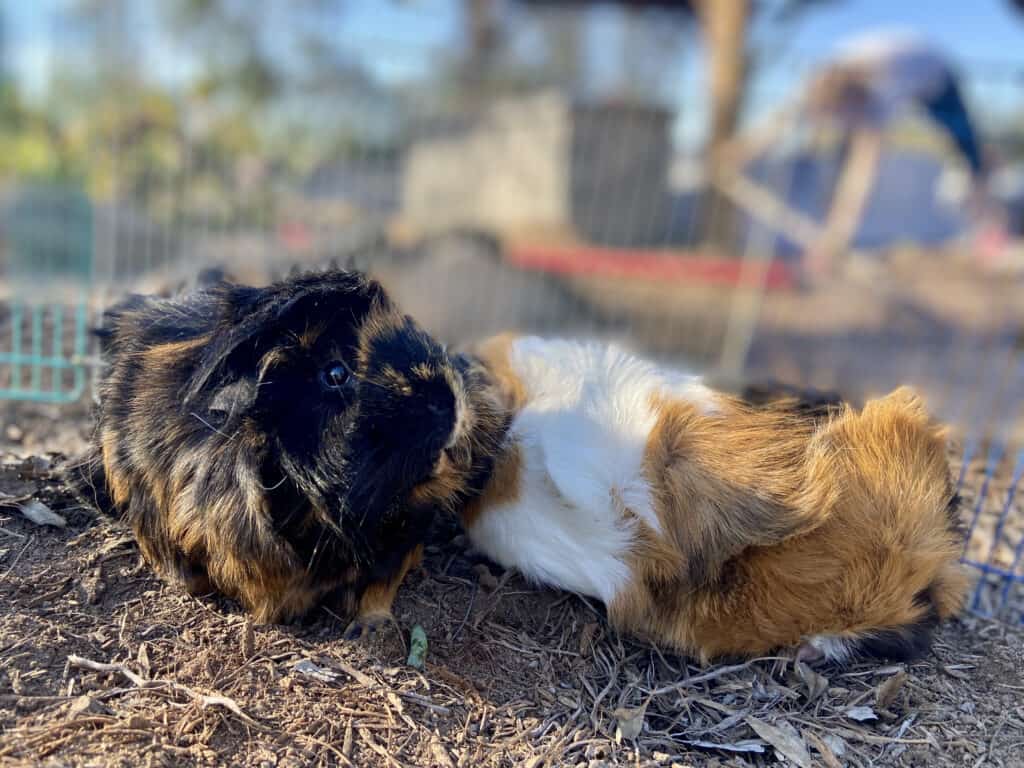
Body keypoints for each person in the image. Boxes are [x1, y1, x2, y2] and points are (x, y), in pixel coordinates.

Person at [802, 30, 1004, 275]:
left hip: (937, 77)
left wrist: (837, 235)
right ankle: (830, 223)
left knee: (967, 150)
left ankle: (989, 229)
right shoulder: (829, 71)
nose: (843, 126)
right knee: (841, 151)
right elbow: (789, 114)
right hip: (903, 61)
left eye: (845, 118)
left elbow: (862, 173)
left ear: (855, 103)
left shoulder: (882, 92)